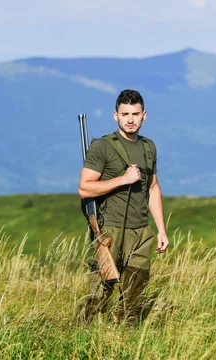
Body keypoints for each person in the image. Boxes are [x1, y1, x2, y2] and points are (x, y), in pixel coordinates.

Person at [77, 89, 169, 322]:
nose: (130, 119)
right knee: (99, 294)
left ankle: (125, 340)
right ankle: (82, 335)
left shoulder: (149, 147)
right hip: (111, 230)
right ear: (115, 115)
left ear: (144, 115)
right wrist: (123, 180)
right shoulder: (103, 147)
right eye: (125, 113)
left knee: (134, 298)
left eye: (135, 114)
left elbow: (153, 188)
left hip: (142, 232)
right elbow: (85, 188)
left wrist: (161, 229)